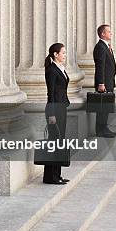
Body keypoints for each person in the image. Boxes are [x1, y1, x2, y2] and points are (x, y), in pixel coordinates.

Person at [44, 43, 70, 185]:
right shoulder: (51, 70)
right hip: (54, 111)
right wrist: (52, 114)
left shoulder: (60, 68)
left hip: (62, 108)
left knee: (59, 142)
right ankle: (51, 177)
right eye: (63, 53)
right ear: (55, 54)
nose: (65, 55)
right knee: (54, 143)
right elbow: (51, 94)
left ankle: (57, 175)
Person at [93, 24, 116, 138]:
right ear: (102, 34)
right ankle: (101, 129)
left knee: (106, 107)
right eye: (109, 31)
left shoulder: (106, 46)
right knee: (102, 108)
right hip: (104, 83)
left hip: (109, 81)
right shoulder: (100, 47)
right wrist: (101, 83)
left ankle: (104, 127)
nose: (111, 33)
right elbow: (100, 66)